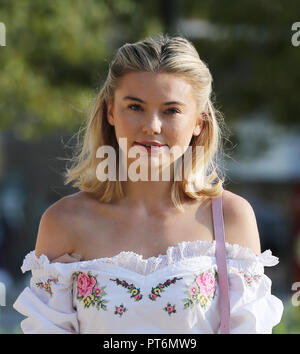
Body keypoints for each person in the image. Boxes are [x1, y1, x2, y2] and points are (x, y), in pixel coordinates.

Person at [13, 34, 284, 334]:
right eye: (135, 106)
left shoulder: (230, 217)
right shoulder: (63, 222)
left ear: (199, 122)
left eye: (171, 110)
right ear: (111, 112)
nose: (151, 126)